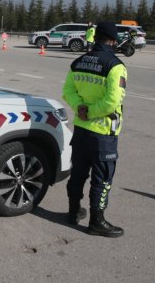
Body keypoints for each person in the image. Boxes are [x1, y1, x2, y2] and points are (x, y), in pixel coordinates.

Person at [62, 21, 127, 238]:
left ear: (95, 36)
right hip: (103, 132)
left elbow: (67, 91)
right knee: (102, 178)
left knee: (78, 173)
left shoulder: (78, 61)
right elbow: (112, 102)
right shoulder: (116, 66)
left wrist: (80, 109)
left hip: (81, 130)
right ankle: (96, 221)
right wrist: (91, 112)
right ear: (113, 40)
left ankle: (73, 212)